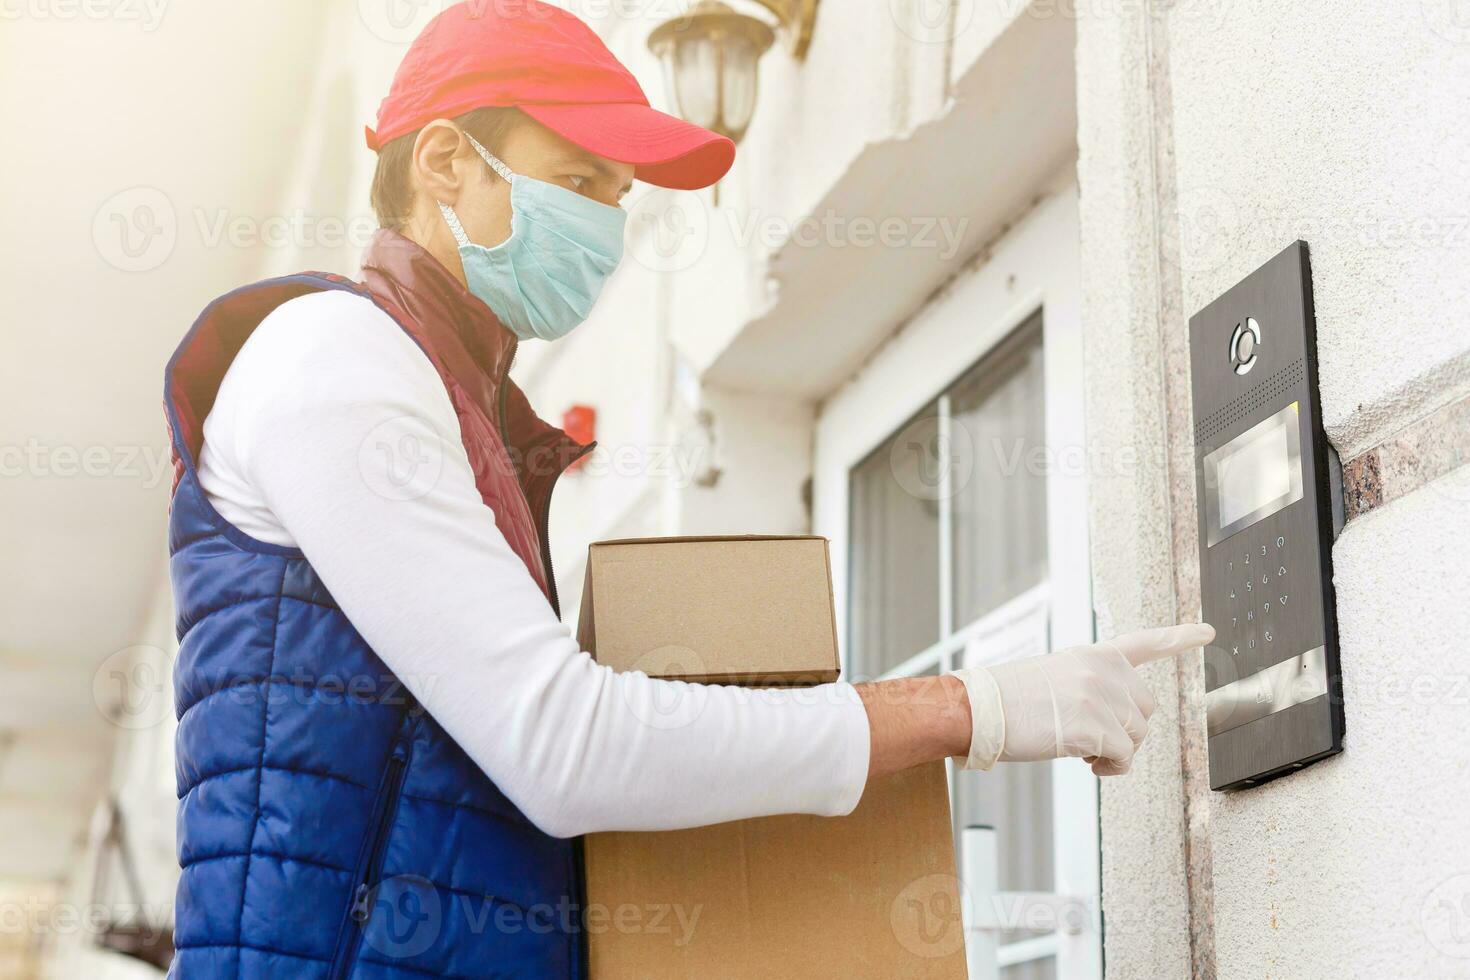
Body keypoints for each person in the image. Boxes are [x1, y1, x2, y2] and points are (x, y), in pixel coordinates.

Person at [161, 2, 1212, 976]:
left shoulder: (455, 397)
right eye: (580, 185)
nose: (607, 231)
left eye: (618, 202)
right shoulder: (335, 357)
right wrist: (976, 706)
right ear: (444, 162)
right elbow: (563, 742)